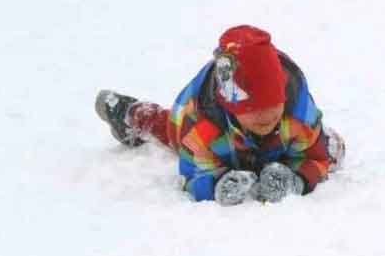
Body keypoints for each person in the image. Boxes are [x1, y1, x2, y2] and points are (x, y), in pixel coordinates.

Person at [93, 25, 344, 205]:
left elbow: (318, 158)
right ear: (232, 107)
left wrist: (297, 179)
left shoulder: (298, 116)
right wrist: (217, 185)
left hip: (277, 144)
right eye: (253, 109)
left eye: (272, 105)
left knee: (329, 148)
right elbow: (192, 175)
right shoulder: (202, 128)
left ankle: (320, 142)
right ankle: (130, 115)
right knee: (169, 129)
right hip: (207, 130)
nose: (266, 116)